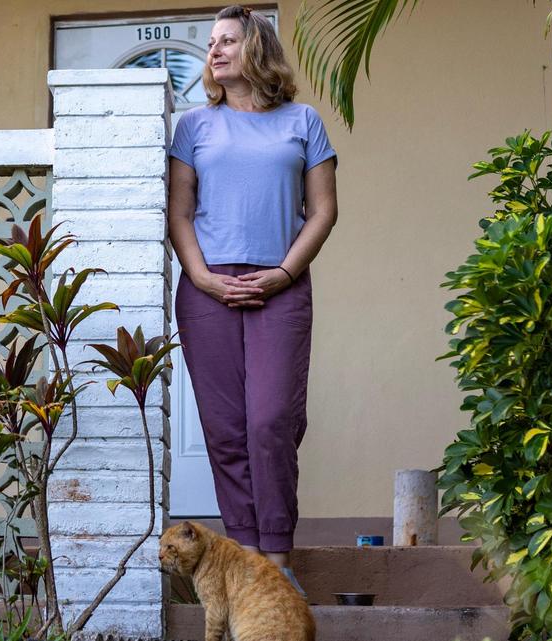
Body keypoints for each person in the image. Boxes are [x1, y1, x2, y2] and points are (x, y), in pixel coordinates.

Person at [167, 4, 338, 598]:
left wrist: (286, 273)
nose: (214, 51)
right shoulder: (193, 126)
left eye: (228, 40)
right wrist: (203, 277)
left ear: (257, 48)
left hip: (280, 287)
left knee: (272, 421)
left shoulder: (303, 121)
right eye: (210, 42)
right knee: (225, 428)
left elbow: (323, 211)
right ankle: (247, 562)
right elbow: (180, 214)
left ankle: (277, 558)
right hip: (208, 290)